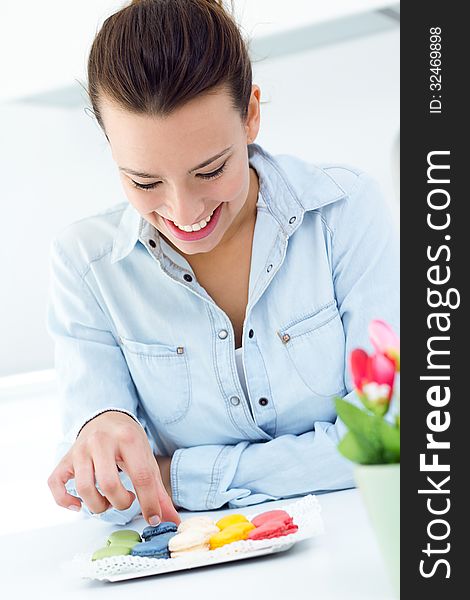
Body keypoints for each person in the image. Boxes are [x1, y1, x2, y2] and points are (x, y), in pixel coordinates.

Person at [46, 0, 399, 527]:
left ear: (252, 114)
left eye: (210, 170)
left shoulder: (343, 213)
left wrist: (179, 475)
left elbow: (395, 432)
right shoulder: (86, 264)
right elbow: (107, 486)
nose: (184, 213)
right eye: (144, 182)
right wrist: (103, 429)